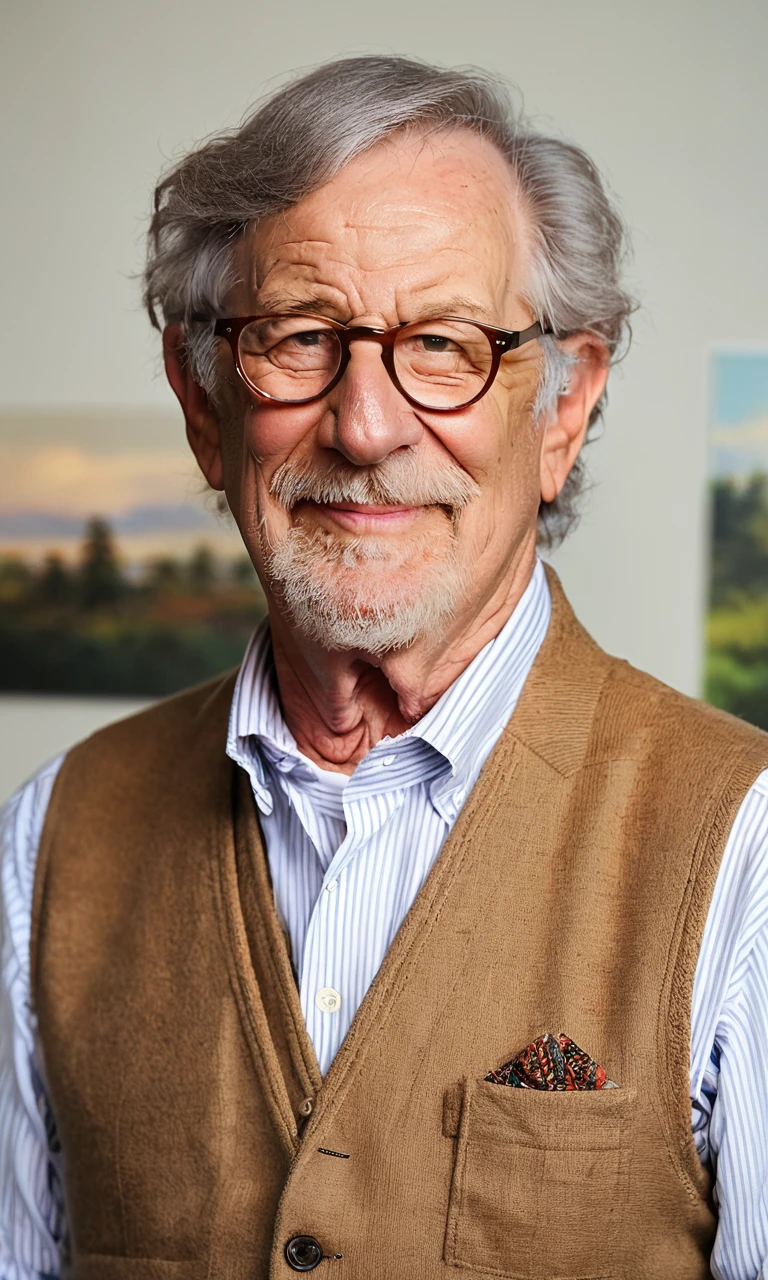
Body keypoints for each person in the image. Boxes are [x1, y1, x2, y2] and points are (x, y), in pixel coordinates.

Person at [1, 55, 766, 1280]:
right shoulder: (47, 841)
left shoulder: (744, 849)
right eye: (299, 337)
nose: (366, 425)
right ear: (204, 408)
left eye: (448, 345)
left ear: (562, 408)